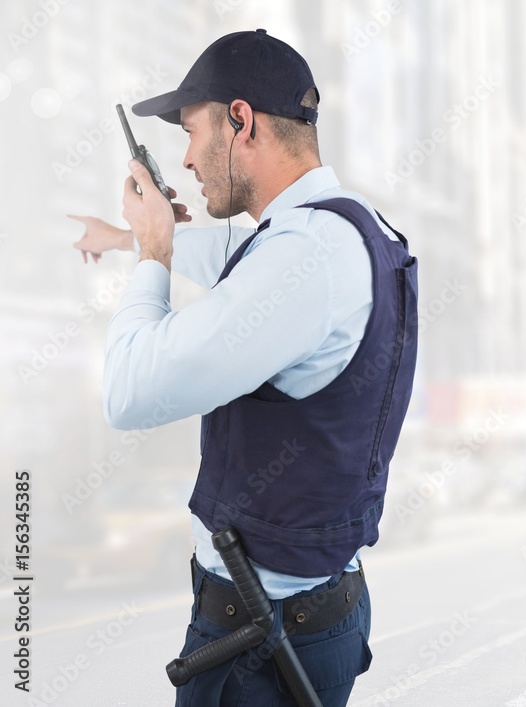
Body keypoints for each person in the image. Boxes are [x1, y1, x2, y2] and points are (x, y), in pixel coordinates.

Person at [70, 29, 418, 706]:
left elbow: (127, 392)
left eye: (193, 132)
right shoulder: (350, 227)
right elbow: (251, 273)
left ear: (241, 121)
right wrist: (128, 239)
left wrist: (152, 257)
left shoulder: (303, 258)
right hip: (316, 609)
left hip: (258, 641)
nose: (187, 160)